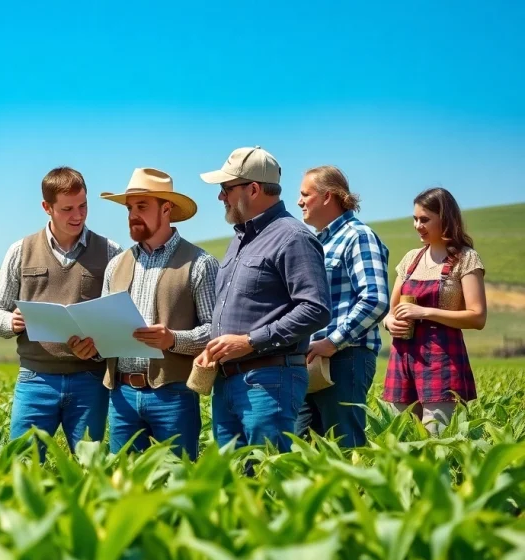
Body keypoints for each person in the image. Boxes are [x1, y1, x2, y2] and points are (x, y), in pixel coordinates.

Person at [68, 167, 218, 462]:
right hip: (121, 398)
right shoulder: (116, 265)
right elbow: (104, 328)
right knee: (125, 487)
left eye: (142, 206)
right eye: (129, 208)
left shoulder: (200, 263)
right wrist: (92, 348)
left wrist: (172, 339)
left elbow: (215, 331)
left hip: (173, 397)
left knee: (179, 483)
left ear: (166, 209)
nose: (132, 214)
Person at [198, 146, 332, 455]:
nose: (221, 197)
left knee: (267, 478)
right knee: (234, 483)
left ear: (253, 189)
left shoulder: (293, 237)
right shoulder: (239, 241)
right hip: (229, 381)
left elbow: (315, 308)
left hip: (269, 381)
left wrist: (249, 341)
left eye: (226, 189)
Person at [0, 166, 122, 457]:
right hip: (35, 379)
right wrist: (13, 321)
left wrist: (97, 349)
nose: (78, 216)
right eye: (67, 209)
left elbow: (120, 322)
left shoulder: (112, 251)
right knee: (22, 464)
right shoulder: (20, 250)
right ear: (46, 207)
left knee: (90, 469)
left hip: (90, 381)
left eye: (83, 206)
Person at [294, 165, 390, 448]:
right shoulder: (317, 242)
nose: (299, 201)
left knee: (343, 448)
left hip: (345, 359)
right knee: (300, 448)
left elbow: (375, 299)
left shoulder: (358, 236)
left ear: (328, 196)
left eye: (305, 194)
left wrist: (333, 342)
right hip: (313, 361)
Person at [382, 187, 486, 435]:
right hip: (402, 356)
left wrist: (425, 312)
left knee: (435, 438)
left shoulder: (466, 259)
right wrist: (389, 322)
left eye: (425, 219)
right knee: (402, 437)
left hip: (442, 359)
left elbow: (477, 316)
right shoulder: (410, 259)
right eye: (415, 219)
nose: (418, 225)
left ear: (446, 218)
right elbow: (391, 310)